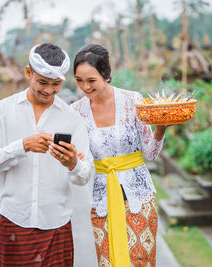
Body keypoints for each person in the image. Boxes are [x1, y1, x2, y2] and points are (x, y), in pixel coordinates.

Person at [0, 43, 94, 266]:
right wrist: (22, 146)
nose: (49, 90)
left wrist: (73, 164)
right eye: (42, 82)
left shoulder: (73, 118)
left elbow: (85, 175)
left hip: (57, 225)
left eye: (56, 84)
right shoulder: (1, 111)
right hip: (14, 222)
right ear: (28, 72)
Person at [71, 44, 167, 267]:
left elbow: (151, 153)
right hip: (102, 200)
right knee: (109, 261)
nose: (85, 87)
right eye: (79, 80)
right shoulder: (76, 112)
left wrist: (161, 129)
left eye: (91, 80)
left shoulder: (133, 101)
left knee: (140, 261)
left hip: (139, 197)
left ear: (106, 75)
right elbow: (81, 164)